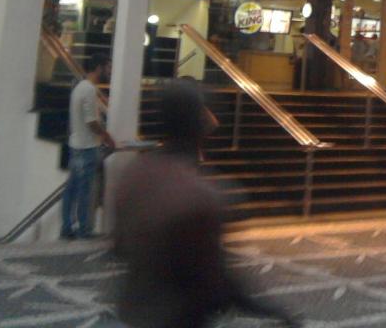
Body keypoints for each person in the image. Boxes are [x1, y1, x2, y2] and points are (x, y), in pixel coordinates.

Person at [114, 80, 296, 327]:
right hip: (177, 318)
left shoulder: (135, 173)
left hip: (134, 310)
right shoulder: (201, 196)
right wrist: (269, 310)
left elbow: (119, 246)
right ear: (198, 122)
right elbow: (213, 281)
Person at [60, 53, 115, 239]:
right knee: (84, 192)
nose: (109, 72)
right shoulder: (89, 90)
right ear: (99, 68)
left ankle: (67, 227)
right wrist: (107, 137)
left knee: (71, 190)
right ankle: (84, 229)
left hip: (75, 144)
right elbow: (91, 121)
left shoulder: (78, 88)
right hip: (86, 147)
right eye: (107, 67)